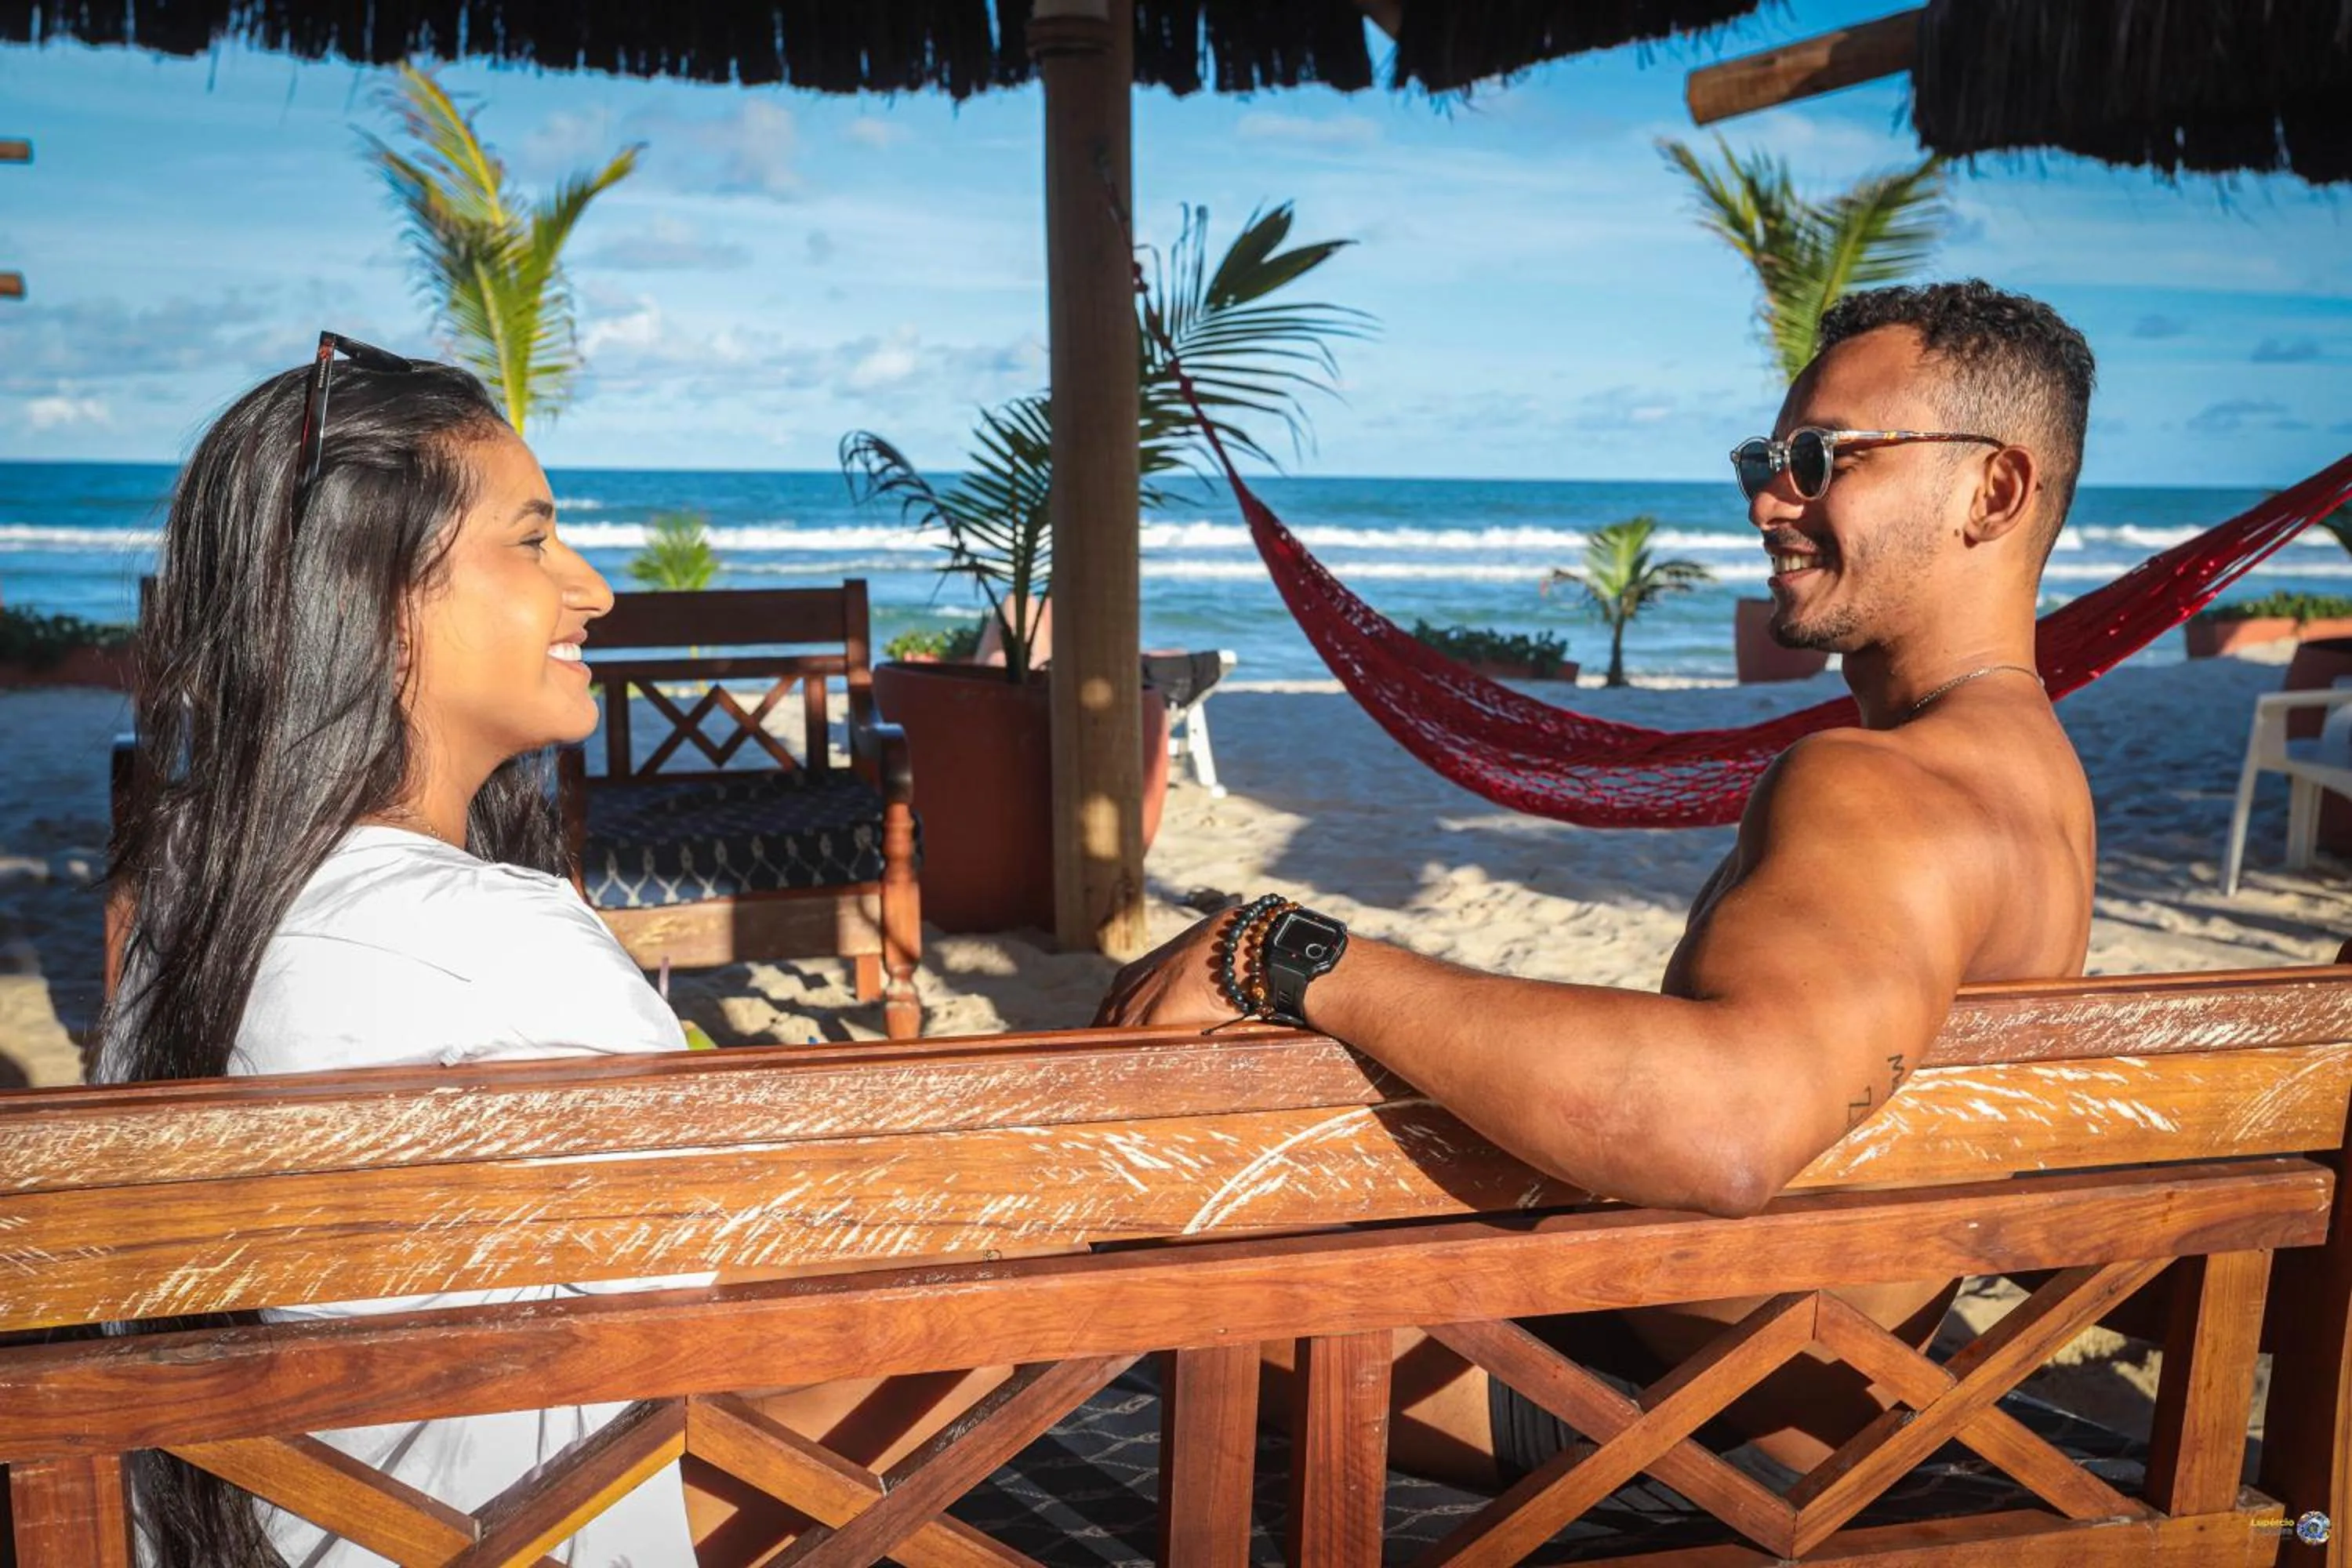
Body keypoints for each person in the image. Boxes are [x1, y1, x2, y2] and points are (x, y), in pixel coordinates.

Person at [1096, 279, 2100, 1485]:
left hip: (1664, 1419)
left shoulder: (1877, 788)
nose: (1769, 497)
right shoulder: (2040, 785)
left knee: (1078, 1237)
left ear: (1993, 490)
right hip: (1835, 1390)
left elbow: (1727, 1129)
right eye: (1767, 456)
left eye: (1823, 457)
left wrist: (1293, 957)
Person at [100, 336, 700, 1566]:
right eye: (532, 543)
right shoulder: (493, 944)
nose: (592, 588)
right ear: (372, 596)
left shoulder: (192, 908)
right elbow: (730, 1388)